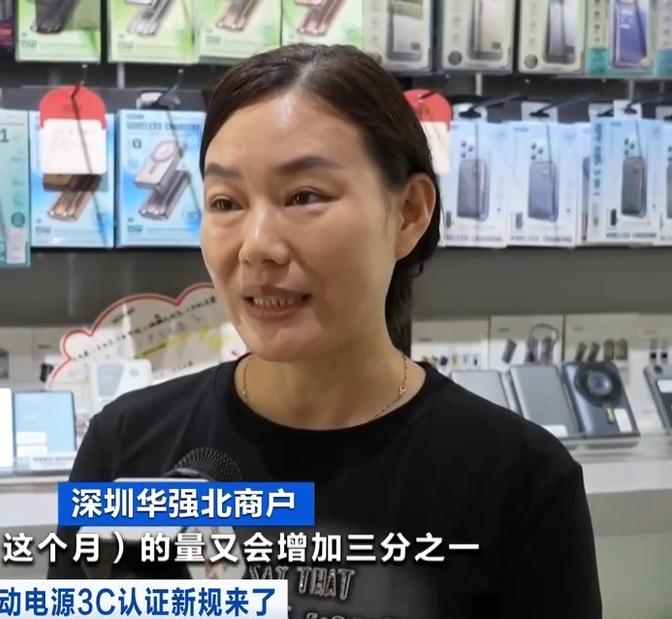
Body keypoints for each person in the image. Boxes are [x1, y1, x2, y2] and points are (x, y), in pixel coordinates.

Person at [49, 44, 603, 618]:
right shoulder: (126, 445)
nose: (257, 246)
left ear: (409, 212)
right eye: (226, 202)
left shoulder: (520, 479)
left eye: (304, 196)